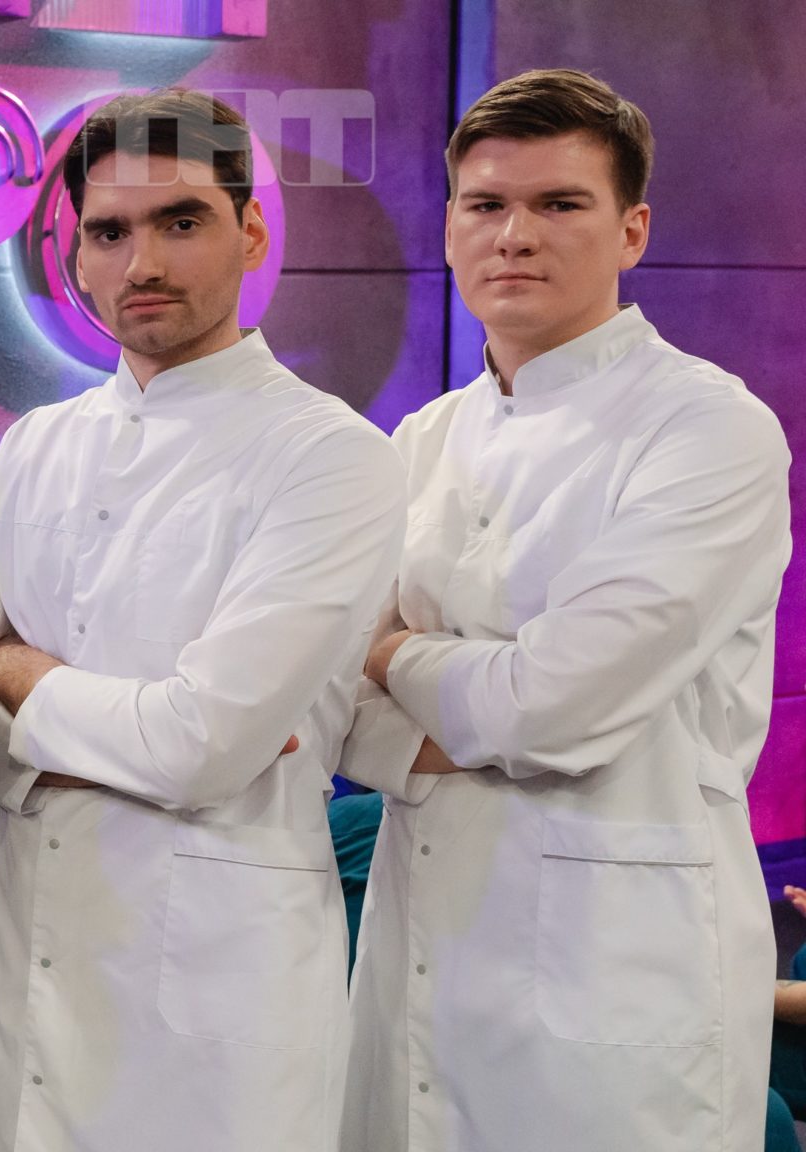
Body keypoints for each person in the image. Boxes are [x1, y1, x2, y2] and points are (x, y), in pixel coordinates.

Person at [0, 88, 406, 1152]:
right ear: (74, 256)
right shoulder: (36, 445)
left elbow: (198, 746)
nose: (141, 262)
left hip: (219, 1015)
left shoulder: (330, 457)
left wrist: (14, 677)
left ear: (250, 231)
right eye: (109, 232)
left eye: (179, 221)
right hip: (29, 977)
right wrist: (55, 741)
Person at [338, 69, 789, 1152]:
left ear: (632, 230)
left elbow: (548, 705)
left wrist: (390, 655)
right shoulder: (418, 441)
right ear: (451, 226)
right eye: (485, 205)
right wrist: (452, 713)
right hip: (422, 958)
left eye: (559, 204)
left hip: (618, 966)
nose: (514, 236)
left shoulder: (706, 430)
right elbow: (326, 703)